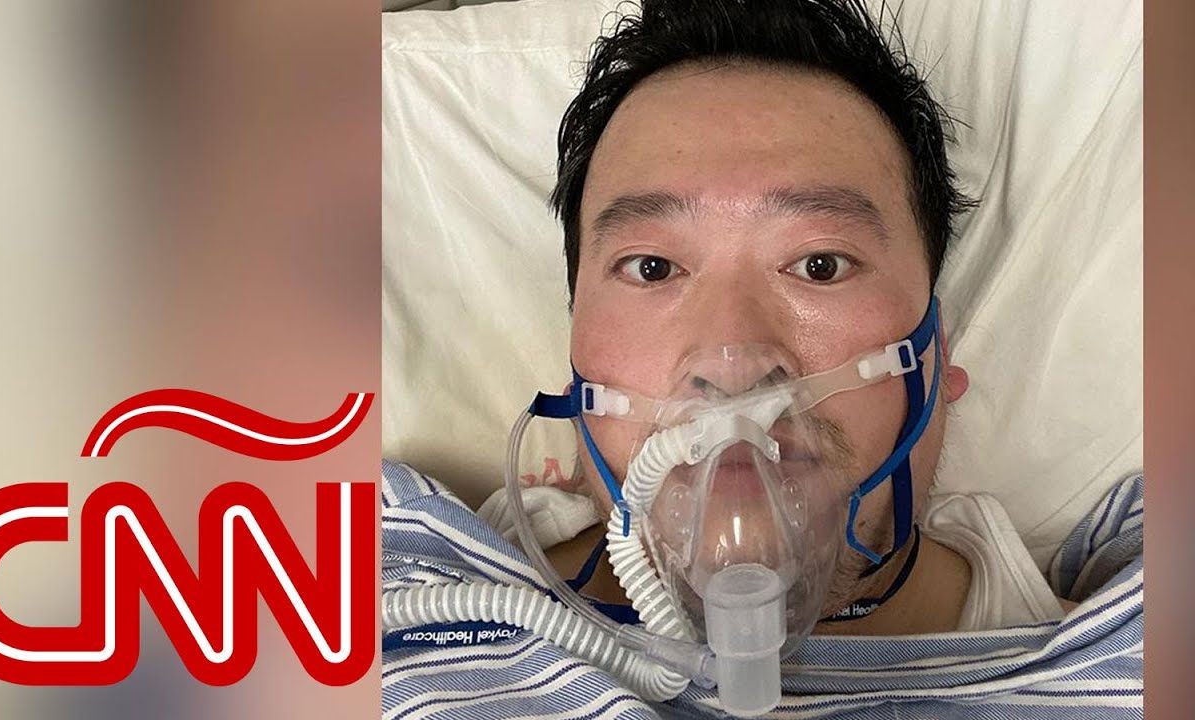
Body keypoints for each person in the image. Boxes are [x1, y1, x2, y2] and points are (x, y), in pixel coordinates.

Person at [380, 1, 1142, 717]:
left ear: (935, 358)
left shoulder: (1130, 644)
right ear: (577, 349)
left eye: (819, 265)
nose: (733, 363)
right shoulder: (385, 573)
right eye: (653, 267)